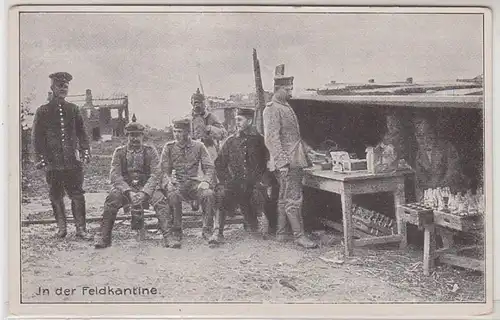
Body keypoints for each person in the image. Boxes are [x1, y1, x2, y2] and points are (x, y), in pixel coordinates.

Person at [94, 115, 171, 249]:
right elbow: (115, 175)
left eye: (138, 135)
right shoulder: (119, 152)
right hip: (126, 188)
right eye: (131, 135)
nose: (134, 139)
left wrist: (144, 192)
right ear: (126, 137)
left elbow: (156, 174)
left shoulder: (150, 151)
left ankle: (169, 236)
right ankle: (104, 236)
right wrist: (128, 191)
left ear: (143, 136)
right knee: (112, 200)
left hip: (146, 187)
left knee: (160, 201)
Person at [32, 72, 92, 240]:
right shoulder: (42, 111)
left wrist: (85, 151)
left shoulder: (73, 109)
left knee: (77, 194)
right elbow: (37, 137)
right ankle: (61, 228)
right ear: (52, 87)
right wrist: (40, 159)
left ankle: (81, 228)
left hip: (72, 162)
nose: (63, 89)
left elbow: (82, 133)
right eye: (60, 86)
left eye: (65, 86)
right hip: (53, 162)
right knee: (56, 194)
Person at [262, 87, 318, 249]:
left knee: (283, 197)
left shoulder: (285, 106)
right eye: (288, 88)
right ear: (278, 89)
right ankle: (299, 236)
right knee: (294, 198)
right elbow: (271, 139)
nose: (291, 91)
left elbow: (293, 137)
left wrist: (307, 149)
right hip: (288, 161)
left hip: (293, 159)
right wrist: (282, 163)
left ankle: (281, 233)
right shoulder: (272, 109)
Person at [212, 108, 277, 244]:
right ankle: (217, 232)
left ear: (250, 120)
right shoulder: (231, 141)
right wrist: (226, 181)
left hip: (254, 184)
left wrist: (263, 181)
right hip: (235, 183)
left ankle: (258, 227)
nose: (237, 123)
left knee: (261, 196)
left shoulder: (260, 141)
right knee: (221, 194)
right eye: (236, 120)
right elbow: (219, 164)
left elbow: (268, 165)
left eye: (240, 120)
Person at [160, 118, 216, 248]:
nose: (176, 134)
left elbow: (209, 167)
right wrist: (168, 182)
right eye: (175, 131)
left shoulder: (199, 146)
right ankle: (177, 231)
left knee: (208, 194)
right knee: (173, 195)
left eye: (180, 131)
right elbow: (163, 171)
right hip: (178, 184)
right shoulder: (169, 148)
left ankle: (207, 230)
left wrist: (206, 181)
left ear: (187, 132)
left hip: (194, 183)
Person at [413, 116, 468, 201]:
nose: (424, 139)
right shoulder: (420, 154)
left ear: (433, 132)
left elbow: (453, 173)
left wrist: (437, 189)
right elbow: (420, 181)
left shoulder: (447, 147)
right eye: (419, 136)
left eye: (428, 133)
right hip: (432, 196)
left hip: (452, 194)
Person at [190, 88, 227, 211]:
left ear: (204, 103)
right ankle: (196, 198)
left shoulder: (211, 117)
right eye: (195, 102)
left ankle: (213, 200)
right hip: (193, 150)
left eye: (199, 102)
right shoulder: (189, 119)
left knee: (211, 173)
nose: (197, 105)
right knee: (194, 173)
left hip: (209, 149)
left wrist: (210, 129)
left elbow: (223, 133)